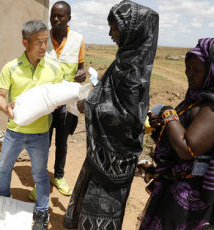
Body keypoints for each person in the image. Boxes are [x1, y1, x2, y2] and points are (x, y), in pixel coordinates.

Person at [63, 1, 159, 229]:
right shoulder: (125, 60)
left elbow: (130, 118)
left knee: (102, 209)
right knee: (89, 202)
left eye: (114, 28)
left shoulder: (134, 73)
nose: (110, 34)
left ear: (131, 31)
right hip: (103, 154)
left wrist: (91, 106)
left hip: (115, 158)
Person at [139, 38, 214, 229]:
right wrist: (163, 126)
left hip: (190, 203)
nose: (188, 74)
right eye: (188, 67)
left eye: (196, 70)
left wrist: (168, 112)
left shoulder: (213, 108)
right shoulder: (196, 98)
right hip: (174, 190)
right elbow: (181, 129)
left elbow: (187, 148)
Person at [0, 20, 63, 230]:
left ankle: (41, 213)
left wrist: (53, 105)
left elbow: (58, 97)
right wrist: (7, 109)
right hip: (14, 132)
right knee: (4, 168)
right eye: (38, 42)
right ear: (25, 42)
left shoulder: (53, 68)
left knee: (40, 174)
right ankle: (3, 200)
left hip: (41, 133)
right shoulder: (11, 67)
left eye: (46, 42)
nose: (44, 47)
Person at [29, 1, 86, 201]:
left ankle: (59, 177)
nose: (55, 19)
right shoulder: (43, 39)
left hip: (66, 103)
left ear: (68, 18)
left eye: (60, 16)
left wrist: (82, 73)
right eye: (53, 15)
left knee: (62, 142)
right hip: (46, 101)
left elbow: (81, 68)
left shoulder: (78, 39)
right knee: (43, 143)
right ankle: (40, 181)